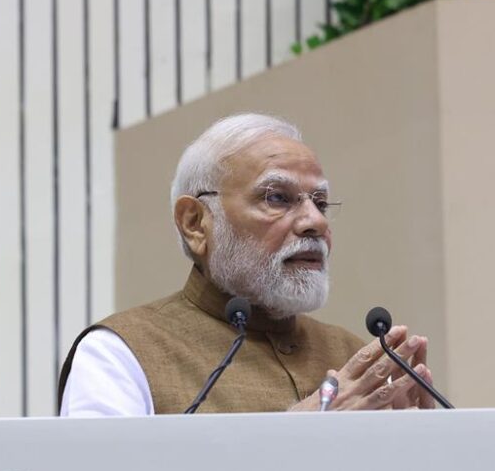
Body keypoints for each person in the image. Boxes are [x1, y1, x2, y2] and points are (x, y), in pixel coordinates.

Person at [59, 113, 434, 416]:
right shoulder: (120, 354)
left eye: (320, 203)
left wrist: (426, 452)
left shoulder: (358, 362)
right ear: (195, 222)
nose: (315, 222)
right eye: (277, 198)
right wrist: (293, 440)